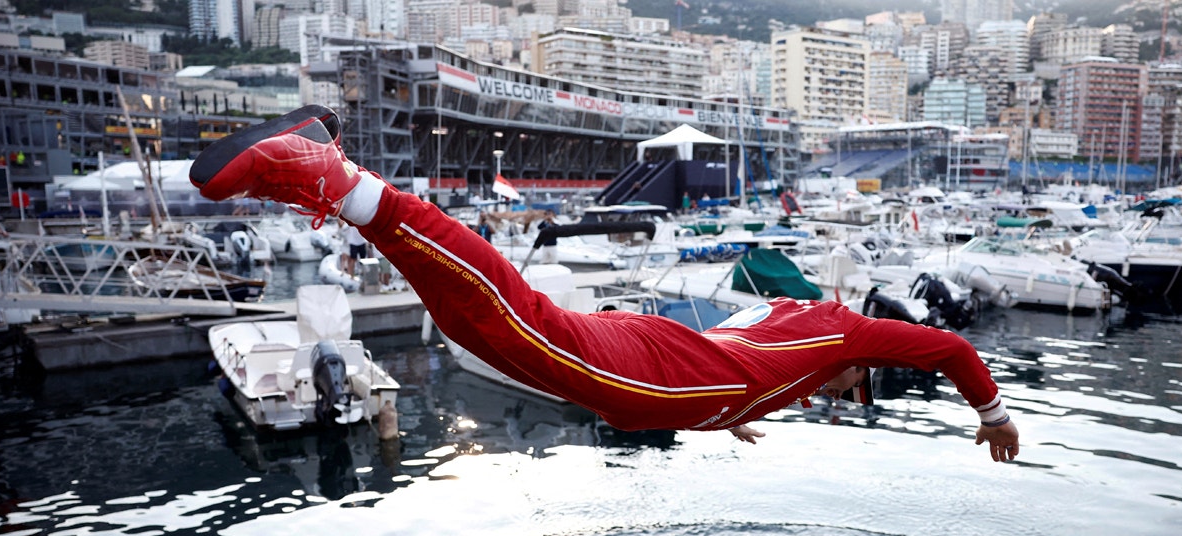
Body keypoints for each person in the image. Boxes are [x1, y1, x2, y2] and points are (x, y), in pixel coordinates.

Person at [188, 106, 1020, 460]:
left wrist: (731, 415)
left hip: (656, 363)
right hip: (645, 376)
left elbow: (750, 362)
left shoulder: (792, 333)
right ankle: (338, 178)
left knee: (480, 325)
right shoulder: (841, 332)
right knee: (505, 312)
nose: (839, 393)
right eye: (853, 387)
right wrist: (992, 412)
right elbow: (946, 345)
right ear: (857, 361)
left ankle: (330, 181)